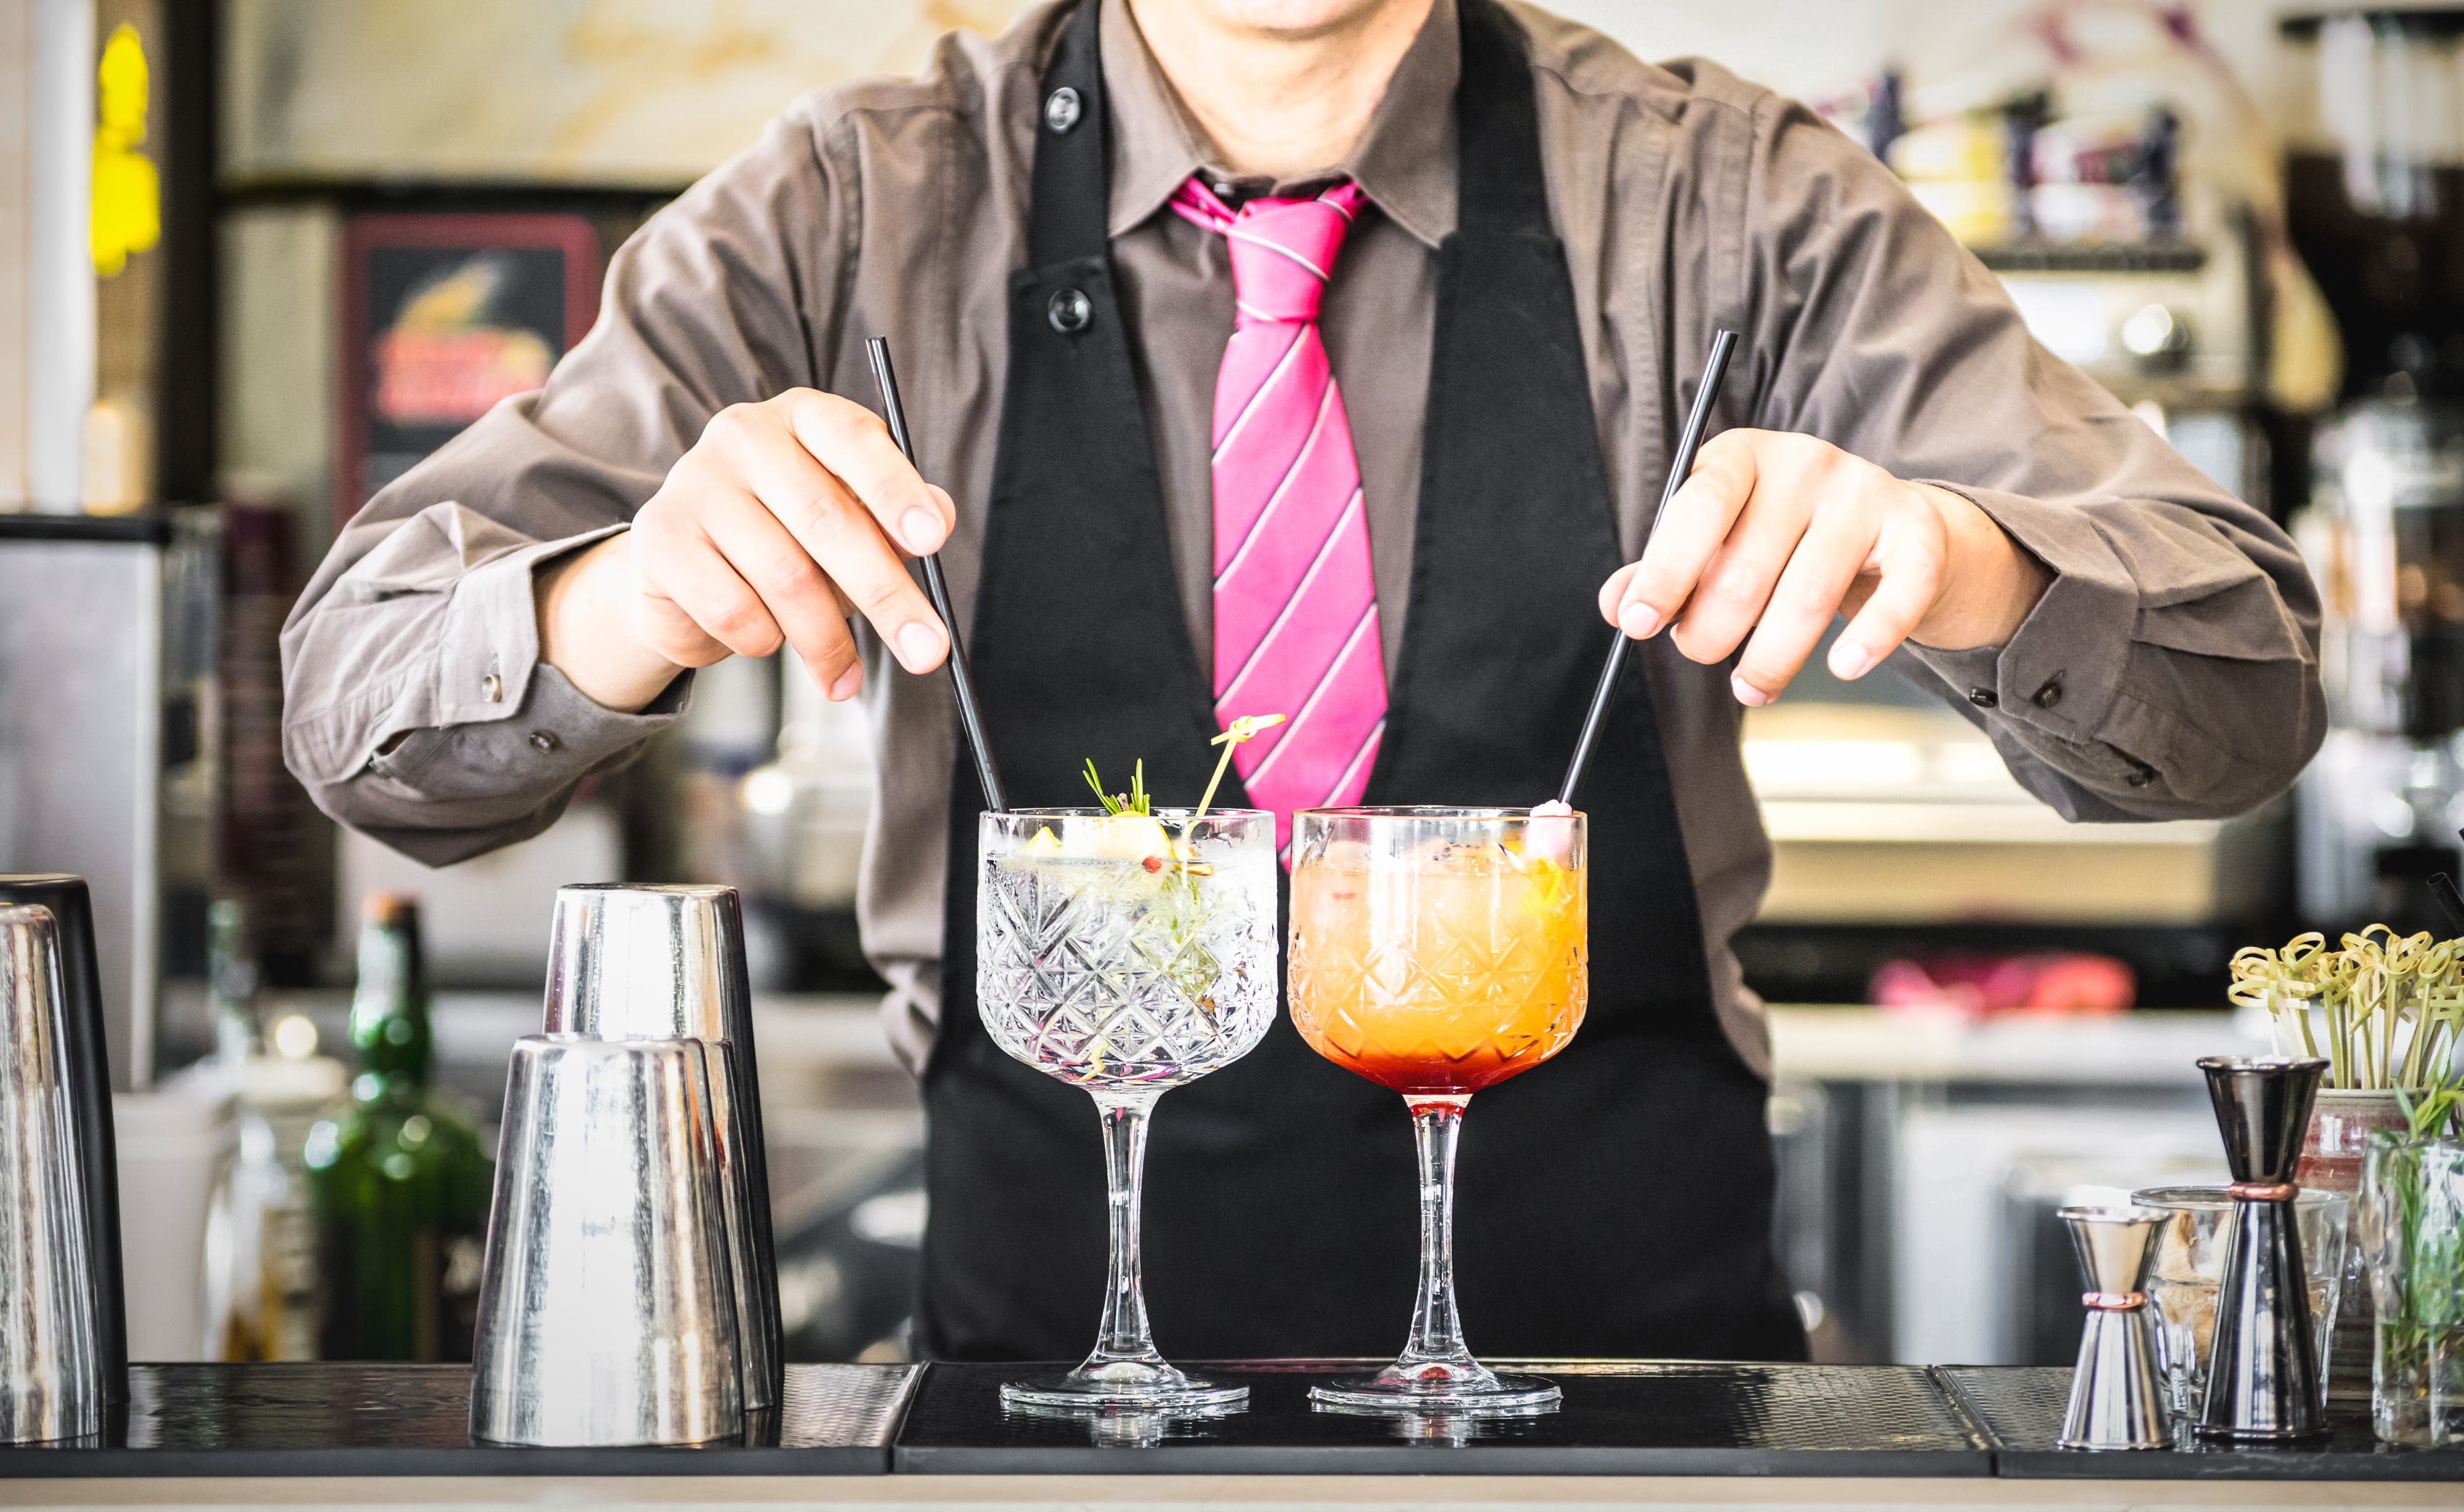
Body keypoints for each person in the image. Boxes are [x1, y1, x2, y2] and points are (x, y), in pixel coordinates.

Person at [282, 0, 2323, 1362]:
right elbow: (361, 709)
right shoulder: (859, 208)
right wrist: (631, 589)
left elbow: (2241, 684)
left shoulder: (1730, 202)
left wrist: (1964, 562)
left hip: (1636, 1409)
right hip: (1031, 1420)